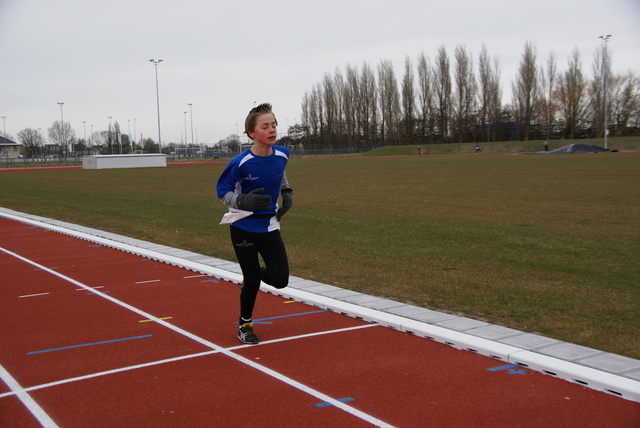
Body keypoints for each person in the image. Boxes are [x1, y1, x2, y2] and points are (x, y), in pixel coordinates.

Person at [216, 103, 293, 344]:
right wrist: (242, 200)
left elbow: (279, 171)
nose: (272, 130)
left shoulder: (282, 154)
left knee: (280, 280)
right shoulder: (241, 162)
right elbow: (222, 192)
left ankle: (253, 275)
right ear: (251, 132)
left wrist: (286, 191)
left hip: (269, 226)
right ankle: (245, 325)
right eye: (265, 126)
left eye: (274, 125)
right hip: (243, 226)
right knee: (252, 281)